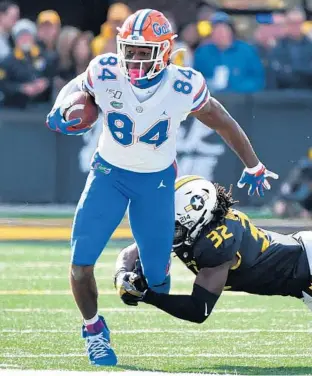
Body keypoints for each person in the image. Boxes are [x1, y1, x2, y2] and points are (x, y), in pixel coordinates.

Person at [45, 9, 278, 367]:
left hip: (156, 183)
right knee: (79, 264)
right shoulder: (105, 70)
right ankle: (93, 330)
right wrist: (62, 107)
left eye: (144, 51)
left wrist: (254, 163)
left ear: (166, 51)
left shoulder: (184, 85)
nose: (135, 59)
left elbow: (223, 121)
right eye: (131, 50)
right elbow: (78, 86)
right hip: (108, 174)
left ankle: (139, 262)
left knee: (157, 282)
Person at [115, 175, 312, 322]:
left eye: (173, 226)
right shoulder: (198, 225)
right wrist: (121, 275)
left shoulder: (215, 245)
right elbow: (131, 252)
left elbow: (198, 310)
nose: (166, 232)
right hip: (302, 267)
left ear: (198, 218)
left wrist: (147, 296)